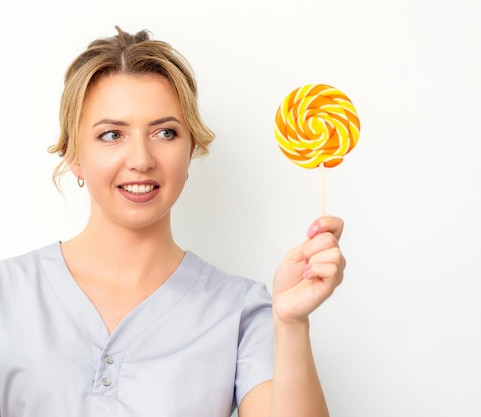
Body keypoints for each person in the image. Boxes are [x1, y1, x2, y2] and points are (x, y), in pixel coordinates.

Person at [0, 26, 345, 417]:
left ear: (191, 148)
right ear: (73, 155)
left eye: (165, 132)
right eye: (112, 134)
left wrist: (291, 323)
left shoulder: (243, 312)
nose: (141, 159)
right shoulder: (8, 295)